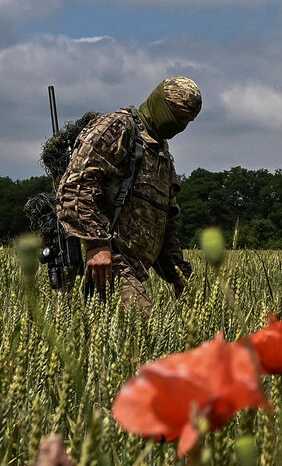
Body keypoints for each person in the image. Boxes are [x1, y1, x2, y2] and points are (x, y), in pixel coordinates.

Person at [56, 76, 200, 315]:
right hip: (107, 263)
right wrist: (96, 244)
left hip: (131, 271)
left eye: (188, 121)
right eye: (178, 115)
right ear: (159, 104)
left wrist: (178, 276)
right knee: (146, 333)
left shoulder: (161, 152)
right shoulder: (117, 128)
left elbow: (165, 222)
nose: (181, 125)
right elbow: (76, 185)